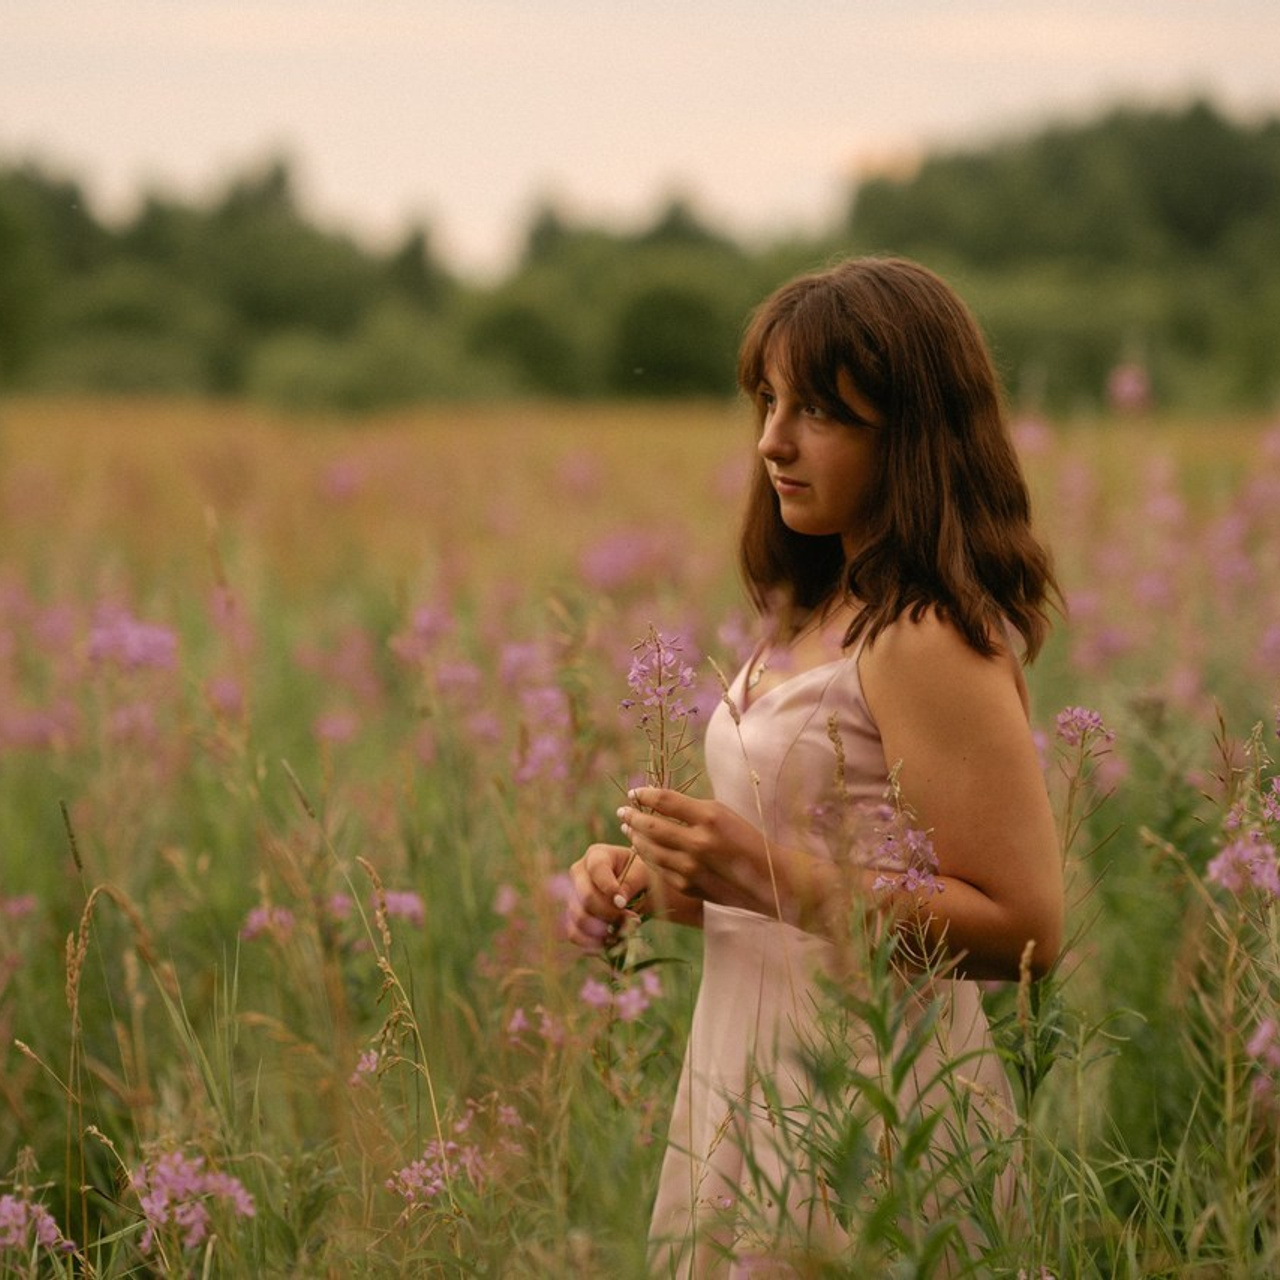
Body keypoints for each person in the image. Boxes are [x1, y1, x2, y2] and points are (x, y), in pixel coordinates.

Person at [566, 256, 1064, 1275]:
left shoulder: (921, 634)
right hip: (747, 1076)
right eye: (766, 399)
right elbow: (802, 878)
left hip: (872, 1113)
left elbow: (1024, 924)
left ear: (913, 432)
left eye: (818, 411)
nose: (770, 440)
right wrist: (661, 883)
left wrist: (760, 869)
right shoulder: (816, 613)